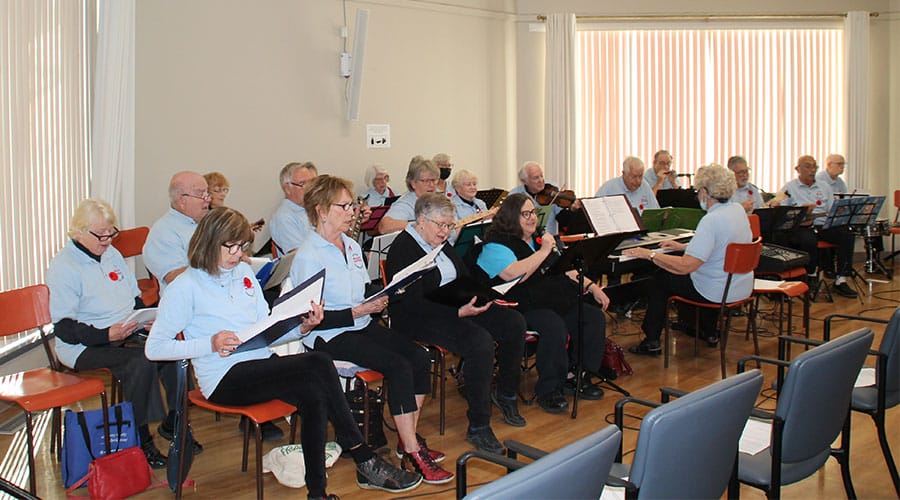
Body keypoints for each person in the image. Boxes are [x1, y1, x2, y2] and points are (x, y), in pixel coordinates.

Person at [145, 207, 422, 498]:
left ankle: (319, 493)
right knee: (317, 361)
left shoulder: (242, 273)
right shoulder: (185, 286)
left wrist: (302, 327)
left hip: (260, 364)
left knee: (313, 393)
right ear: (208, 242)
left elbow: (268, 330)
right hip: (222, 377)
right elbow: (155, 349)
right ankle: (362, 455)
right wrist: (209, 343)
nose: (238, 254)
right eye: (231, 247)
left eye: (242, 247)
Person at [289, 175, 453, 484]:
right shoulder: (309, 256)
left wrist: (386, 293)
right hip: (330, 335)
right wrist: (361, 309)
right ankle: (413, 450)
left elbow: (363, 290)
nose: (353, 211)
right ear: (322, 210)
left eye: (352, 204)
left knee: (418, 358)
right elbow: (310, 318)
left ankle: (408, 440)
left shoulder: (350, 245)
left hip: (360, 323)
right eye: (345, 205)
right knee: (399, 364)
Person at [385, 194, 527, 454]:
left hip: (454, 305)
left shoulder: (438, 241)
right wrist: (458, 313)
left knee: (513, 323)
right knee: (480, 343)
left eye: (449, 225)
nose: (445, 231)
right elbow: (409, 303)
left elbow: (462, 275)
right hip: (420, 317)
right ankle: (479, 425)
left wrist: (484, 297)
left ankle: (506, 394)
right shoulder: (403, 248)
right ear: (420, 220)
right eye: (440, 225)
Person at [46, 198, 182, 468]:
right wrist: (106, 335)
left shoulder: (111, 254)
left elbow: (133, 298)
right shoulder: (64, 267)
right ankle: (141, 439)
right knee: (140, 363)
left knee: (172, 351)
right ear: (78, 232)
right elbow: (64, 328)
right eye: (101, 235)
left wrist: (144, 318)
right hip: (84, 344)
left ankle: (173, 422)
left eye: (112, 233)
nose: (108, 240)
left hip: (124, 330)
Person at [471, 193, 609, 412]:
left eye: (533, 212)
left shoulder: (539, 238)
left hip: (551, 298)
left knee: (592, 318)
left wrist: (591, 286)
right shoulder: (495, 245)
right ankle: (549, 390)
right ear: (510, 217)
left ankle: (579, 376)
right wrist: (544, 251)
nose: (531, 218)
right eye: (525, 214)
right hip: (520, 304)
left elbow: (566, 268)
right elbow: (515, 274)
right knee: (554, 326)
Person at [624, 163, 753, 355]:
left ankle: (651, 341)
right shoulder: (737, 211)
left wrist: (649, 254)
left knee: (659, 279)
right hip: (738, 286)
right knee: (676, 268)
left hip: (716, 291)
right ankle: (706, 330)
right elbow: (721, 247)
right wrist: (684, 247)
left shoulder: (711, 219)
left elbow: (686, 266)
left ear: (705, 192)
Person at [768, 155, 858, 298]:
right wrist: (801, 212)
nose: (812, 170)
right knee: (807, 240)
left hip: (822, 224)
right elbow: (780, 211)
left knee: (847, 235)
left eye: (814, 166)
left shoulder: (824, 186)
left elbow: (831, 210)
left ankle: (841, 279)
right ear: (798, 169)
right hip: (802, 226)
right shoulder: (789, 187)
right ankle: (811, 276)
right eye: (808, 166)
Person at [144, 171, 211, 293]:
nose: (208, 199)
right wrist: (217, 264)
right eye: (201, 194)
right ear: (182, 201)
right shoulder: (163, 232)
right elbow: (174, 277)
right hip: (190, 303)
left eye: (207, 193)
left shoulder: (207, 222)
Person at [509, 161, 577, 235]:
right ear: (524, 181)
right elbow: (511, 222)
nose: (541, 180)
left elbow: (563, 219)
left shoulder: (552, 188)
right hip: (525, 239)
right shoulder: (514, 195)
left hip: (551, 237)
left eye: (541, 176)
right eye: (536, 178)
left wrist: (572, 209)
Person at [377, 156, 438, 235]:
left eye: (433, 180)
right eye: (426, 181)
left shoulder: (438, 200)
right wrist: (422, 225)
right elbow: (384, 227)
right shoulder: (406, 204)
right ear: (413, 183)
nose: (432, 185)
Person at [270, 161, 318, 256]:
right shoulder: (284, 217)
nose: (310, 188)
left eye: (312, 183)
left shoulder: (312, 209)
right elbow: (300, 256)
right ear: (287, 189)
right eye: (303, 183)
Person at [595, 156, 660, 215]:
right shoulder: (608, 188)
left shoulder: (644, 185)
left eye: (640, 176)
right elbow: (595, 212)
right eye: (634, 176)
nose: (638, 181)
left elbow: (656, 211)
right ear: (624, 174)